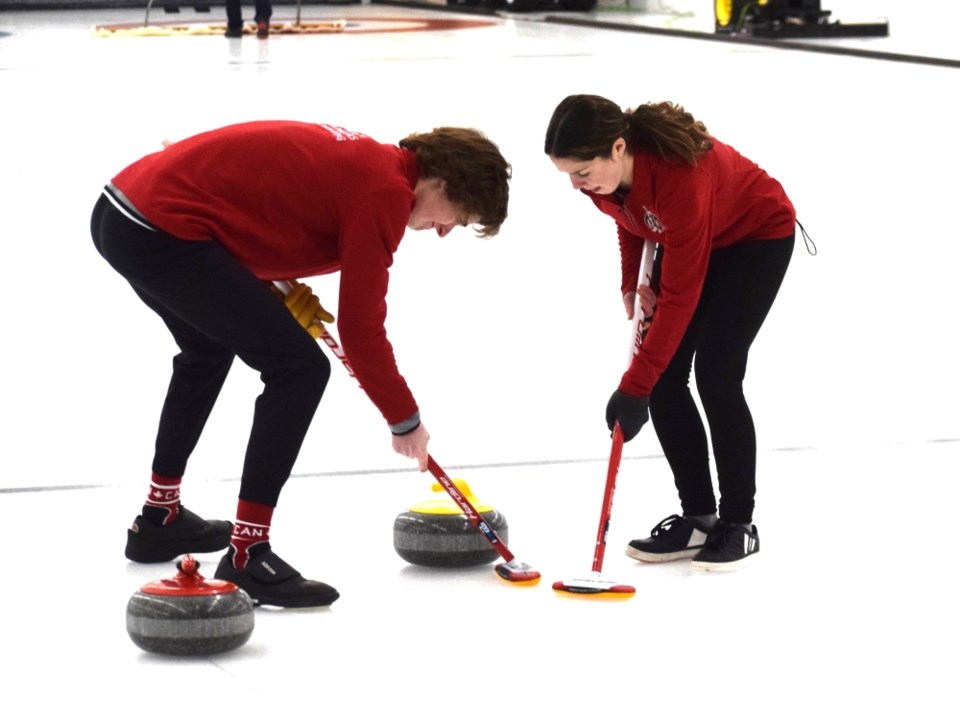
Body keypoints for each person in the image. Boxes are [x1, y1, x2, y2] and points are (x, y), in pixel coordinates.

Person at [90, 120, 511, 606]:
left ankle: (159, 520)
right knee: (299, 369)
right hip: (160, 230)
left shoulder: (372, 164)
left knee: (208, 350)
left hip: (124, 214)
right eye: (455, 217)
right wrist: (404, 420)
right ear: (441, 182)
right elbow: (361, 329)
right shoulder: (385, 192)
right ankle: (248, 553)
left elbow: (259, 201)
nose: (442, 231)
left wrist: (274, 282)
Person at [544, 94, 796, 572]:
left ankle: (738, 525)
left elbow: (680, 298)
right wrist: (630, 283)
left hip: (754, 238)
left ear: (618, 148)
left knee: (717, 375)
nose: (577, 186)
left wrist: (632, 389)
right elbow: (629, 217)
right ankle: (699, 518)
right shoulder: (604, 180)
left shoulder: (682, 178)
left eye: (581, 172)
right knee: (664, 381)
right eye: (568, 175)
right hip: (690, 236)